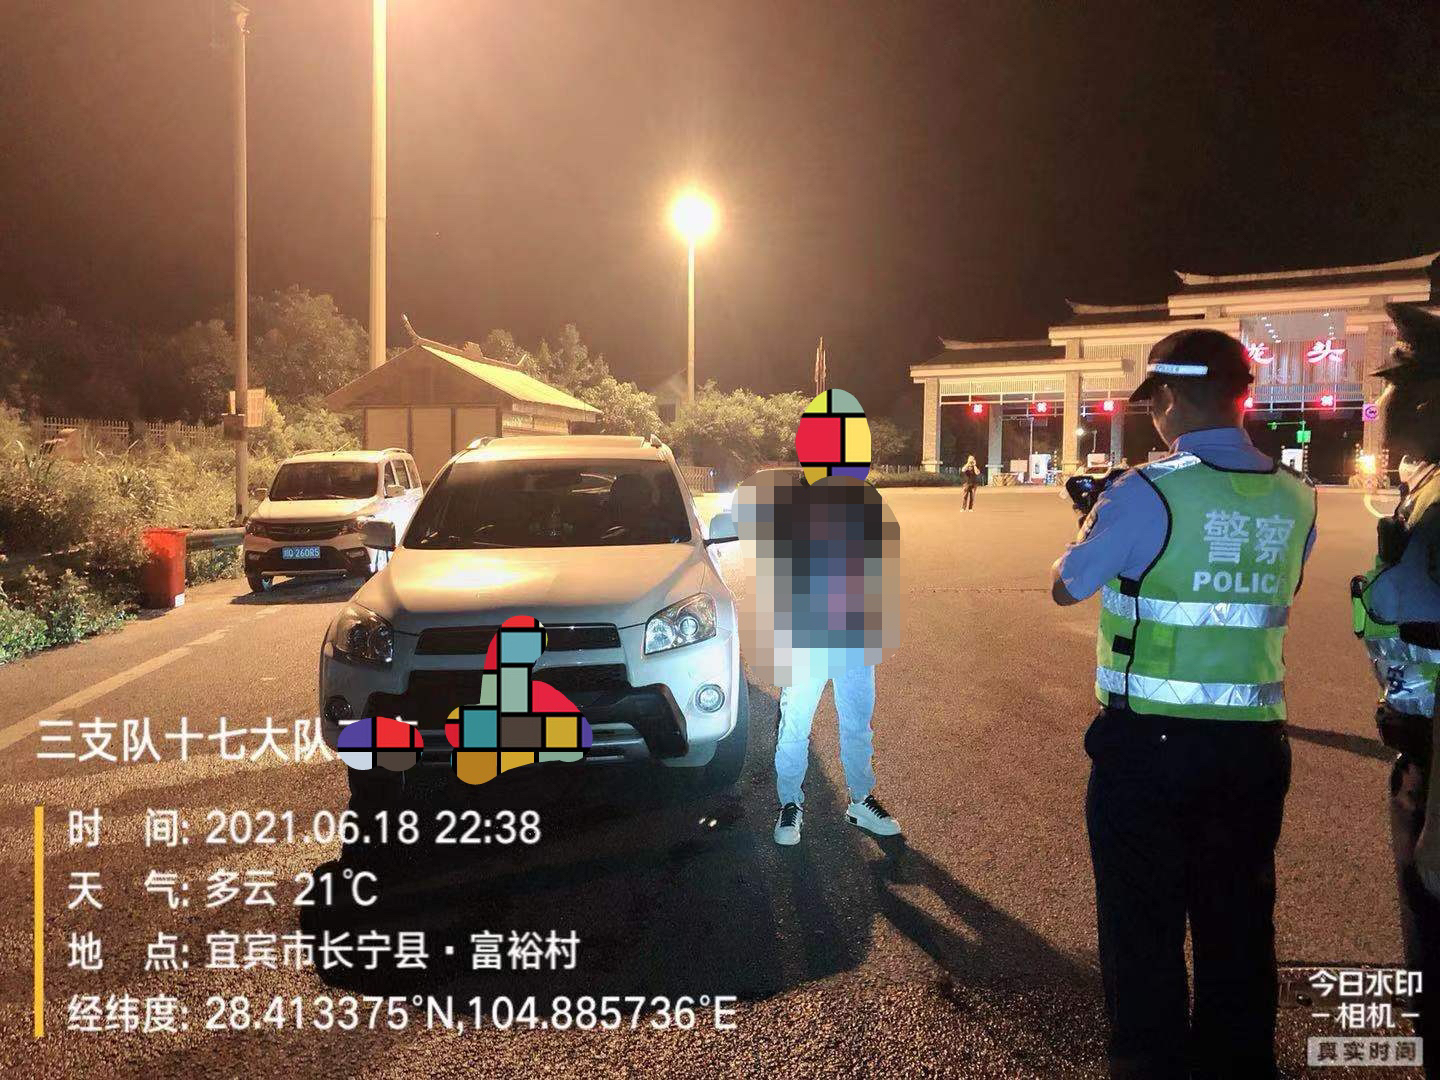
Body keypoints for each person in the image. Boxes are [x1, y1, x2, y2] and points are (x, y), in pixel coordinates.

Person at [1050, 328, 1318, 1079]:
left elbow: (1067, 585)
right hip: (1255, 746)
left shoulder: (1145, 490)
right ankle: (1239, 1063)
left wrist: (1094, 517)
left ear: (1167, 397)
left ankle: (1149, 1063)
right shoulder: (1298, 496)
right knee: (1239, 920)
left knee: (1142, 923)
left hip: (1151, 748)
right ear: (1241, 396)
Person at [1351, 302, 1440, 1070]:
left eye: (1399, 384)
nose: (1383, 404)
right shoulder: (1428, 486)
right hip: (1420, 730)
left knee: (1432, 899)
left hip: (1434, 744)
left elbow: (1406, 604)